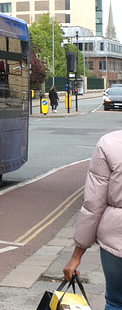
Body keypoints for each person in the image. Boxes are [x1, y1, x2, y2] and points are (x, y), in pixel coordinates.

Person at [63, 130, 122, 310]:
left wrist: (76, 256)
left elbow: (94, 204)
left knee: (115, 302)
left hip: (116, 241)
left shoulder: (109, 143)